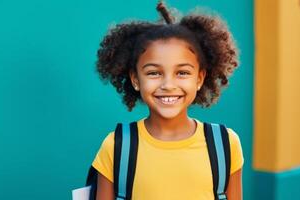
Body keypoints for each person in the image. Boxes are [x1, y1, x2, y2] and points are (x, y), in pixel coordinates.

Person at [92, 1, 243, 199]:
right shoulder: (117, 147)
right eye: (154, 73)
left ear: (199, 78)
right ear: (136, 79)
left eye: (182, 72)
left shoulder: (225, 144)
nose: (168, 84)